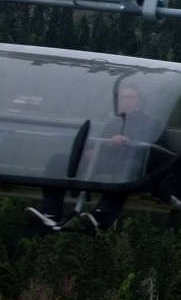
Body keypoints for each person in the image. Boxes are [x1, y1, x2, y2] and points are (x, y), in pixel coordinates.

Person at [25, 83, 170, 232]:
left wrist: (128, 143)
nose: (127, 101)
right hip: (107, 164)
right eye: (124, 97)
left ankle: (101, 217)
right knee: (58, 160)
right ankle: (51, 212)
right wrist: (92, 151)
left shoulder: (151, 123)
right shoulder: (114, 124)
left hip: (134, 168)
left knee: (128, 168)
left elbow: (156, 149)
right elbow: (103, 145)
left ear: (139, 101)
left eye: (131, 97)